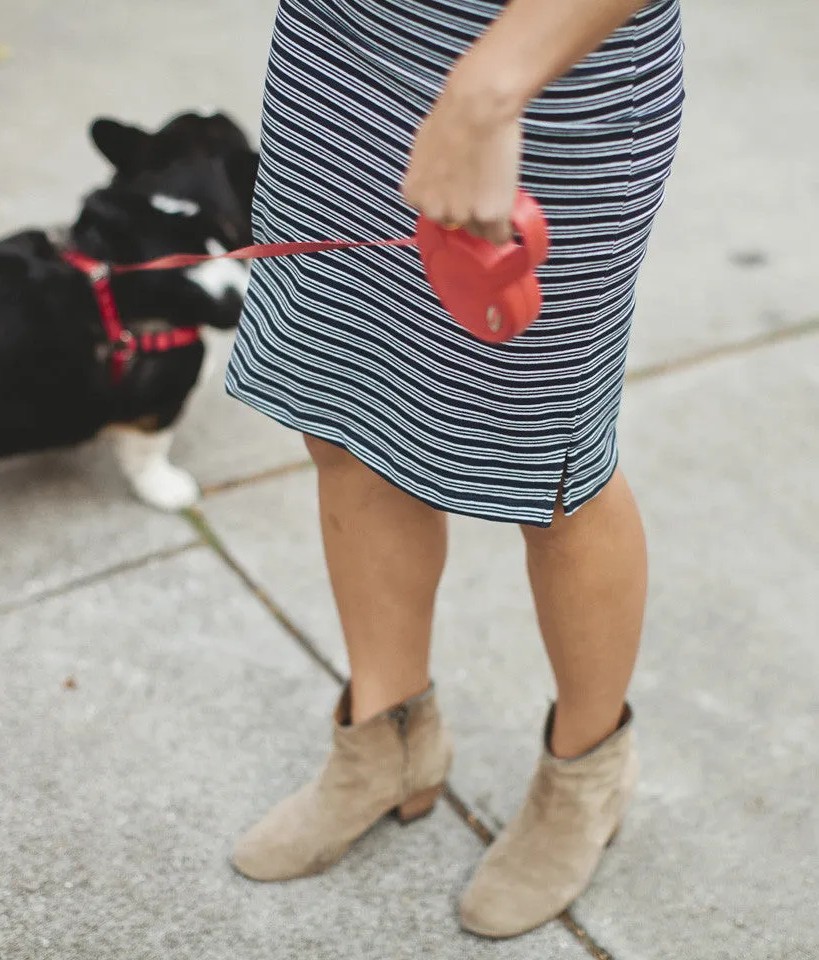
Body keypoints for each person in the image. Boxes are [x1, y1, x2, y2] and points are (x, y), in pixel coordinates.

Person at [225, 0, 683, 938]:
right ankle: (387, 741)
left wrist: (485, 93)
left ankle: (587, 774)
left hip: (541, 80)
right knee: (346, 406)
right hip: (343, 55)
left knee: (555, 466)